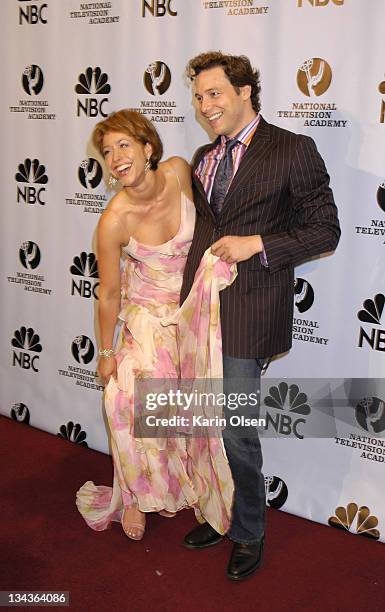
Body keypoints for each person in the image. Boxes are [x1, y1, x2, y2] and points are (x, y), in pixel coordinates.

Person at [180, 52, 341, 580]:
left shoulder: (293, 149)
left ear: (245, 90)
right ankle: (218, 512)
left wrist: (258, 244)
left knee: (236, 430)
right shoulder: (204, 156)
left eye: (215, 94)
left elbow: (326, 230)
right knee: (205, 425)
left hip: (250, 314)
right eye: (199, 97)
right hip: (199, 315)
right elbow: (204, 235)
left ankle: (249, 530)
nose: (205, 106)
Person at [76, 109, 234, 541]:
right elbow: (108, 293)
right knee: (125, 401)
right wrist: (106, 354)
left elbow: (212, 223)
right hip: (146, 319)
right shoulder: (114, 220)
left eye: (124, 145)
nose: (115, 158)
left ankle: (189, 487)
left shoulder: (181, 172)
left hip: (192, 315)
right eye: (107, 152)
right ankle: (133, 497)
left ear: (148, 147)